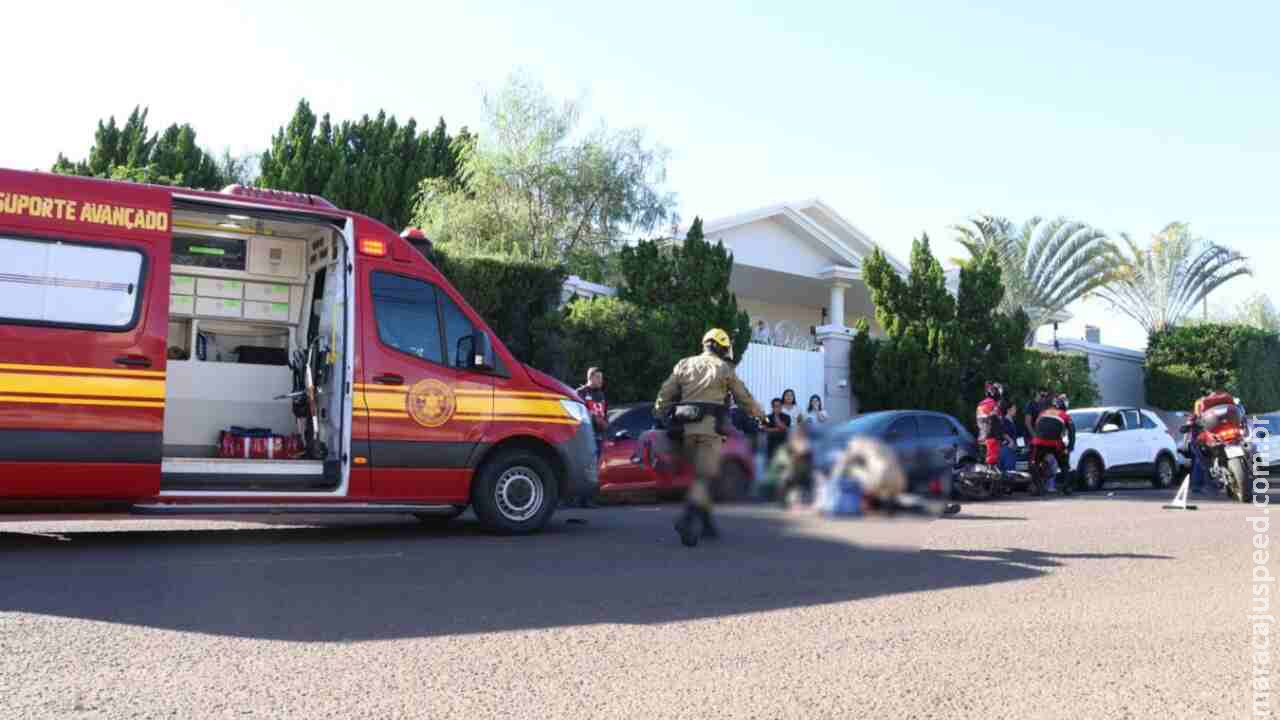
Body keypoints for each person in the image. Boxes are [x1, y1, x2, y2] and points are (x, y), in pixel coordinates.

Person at [655, 328, 764, 547]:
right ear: (721, 347)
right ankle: (687, 519)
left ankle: (707, 525)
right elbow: (743, 397)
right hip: (709, 431)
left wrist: (659, 414)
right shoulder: (724, 368)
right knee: (705, 479)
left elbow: (665, 394)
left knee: (700, 479)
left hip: (683, 431)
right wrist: (760, 415)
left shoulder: (684, 364)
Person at [568, 367, 607, 509]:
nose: (601, 381)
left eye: (601, 378)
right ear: (590, 378)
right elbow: (575, 412)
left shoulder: (601, 394)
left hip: (598, 435)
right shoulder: (580, 393)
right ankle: (575, 499)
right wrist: (593, 418)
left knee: (593, 468)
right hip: (584, 435)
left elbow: (603, 412)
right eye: (598, 378)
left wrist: (604, 423)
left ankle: (587, 498)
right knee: (583, 466)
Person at [1030, 394, 1075, 495]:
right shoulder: (1065, 415)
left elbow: (1037, 426)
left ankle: (1037, 487)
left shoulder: (1042, 413)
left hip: (1038, 442)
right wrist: (1070, 447)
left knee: (1033, 463)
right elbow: (1072, 431)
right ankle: (1066, 487)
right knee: (1064, 464)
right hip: (1055, 443)